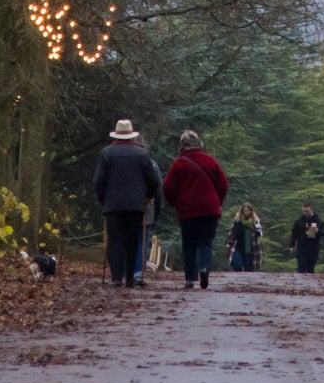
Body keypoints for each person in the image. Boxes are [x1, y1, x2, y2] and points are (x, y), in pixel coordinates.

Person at [91, 118, 162, 288]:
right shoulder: (142, 155)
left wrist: (103, 199)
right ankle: (130, 277)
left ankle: (116, 277)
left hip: (112, 205)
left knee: (115, 240)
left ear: (116, 135)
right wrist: (147, 197)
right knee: (132, 241)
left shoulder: (106, 154)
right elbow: (153, 181)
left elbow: (98, 181)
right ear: (131, 136)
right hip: (136, 205)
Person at [161, 130, 230, 290]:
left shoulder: (179, 164)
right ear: (199, 143)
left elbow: (167, 187)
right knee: (206, 242)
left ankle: (190, 279)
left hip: (188, 210)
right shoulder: (210, 161)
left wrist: (174, 203)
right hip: (209, 209)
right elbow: (223, 184)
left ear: (182, 146)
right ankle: (204, 268)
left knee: (189, 244)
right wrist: (216, 202)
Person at [287, 203, 324, 274]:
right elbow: (294, 234)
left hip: (313, 247)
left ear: (312, 210)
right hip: (301, 247)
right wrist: (291, 245)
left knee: (310, 269)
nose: (306, 213)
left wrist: (318, 231)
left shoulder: (319, 221)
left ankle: (310, 283)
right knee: (301, 268)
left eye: (307, 212)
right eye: (304, 212)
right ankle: (300, 283)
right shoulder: (299, 221)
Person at [227, 202, 263, 272]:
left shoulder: (255, 221)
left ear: (251, 211)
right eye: (245, 210)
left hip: (250, 247)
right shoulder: (237, 221)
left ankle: (246, 281)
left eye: (248, 210)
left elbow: (260, 233)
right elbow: (232, 232)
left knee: (248, 268)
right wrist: (229, 243)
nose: (246, 212)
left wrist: (255, 230)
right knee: (236, 264)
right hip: (238, 246)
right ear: (242, 211)